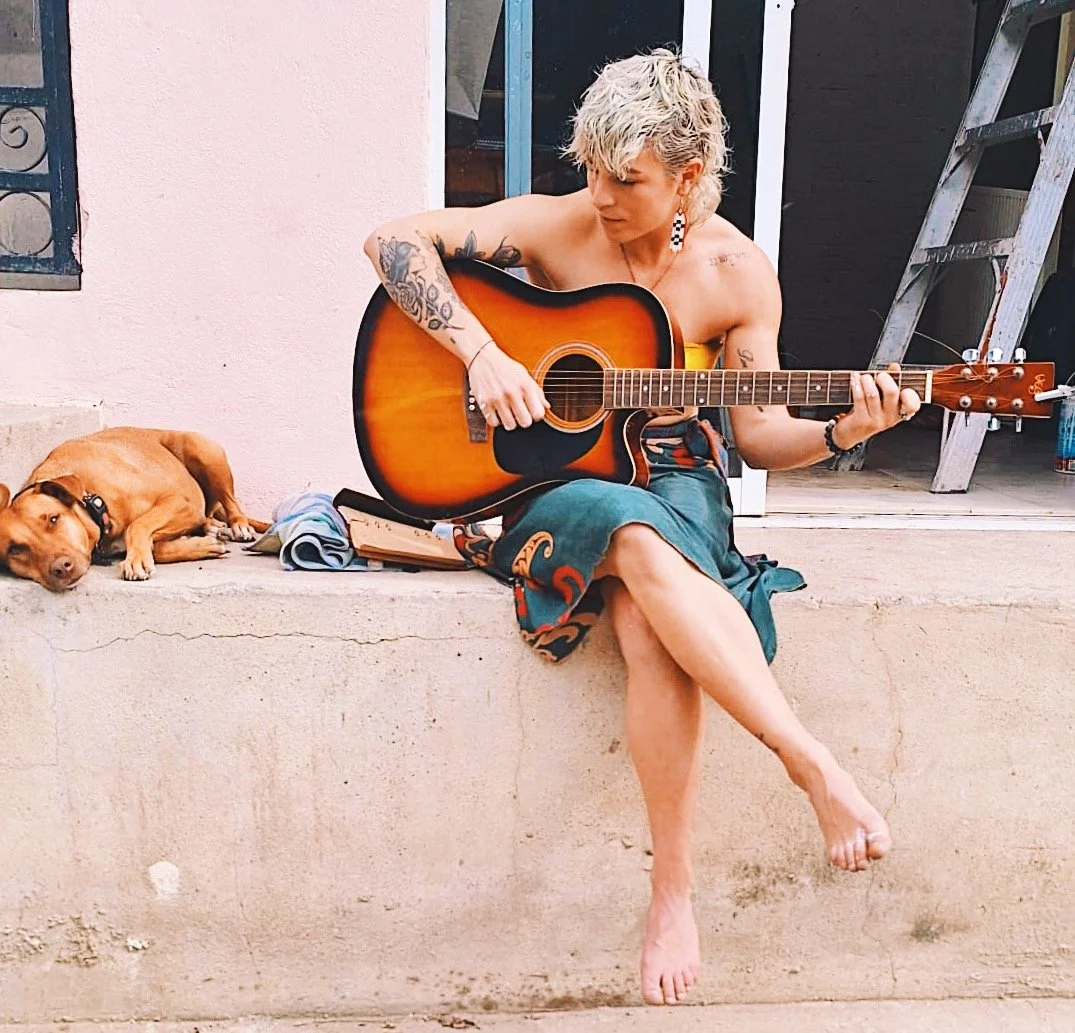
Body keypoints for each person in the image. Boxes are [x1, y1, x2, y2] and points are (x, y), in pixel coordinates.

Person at [363, 49, 920, 1007]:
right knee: (623, 531)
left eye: (625, 180)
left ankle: (672, 891)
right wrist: (484, 353)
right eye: (589, 169)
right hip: (554, 482)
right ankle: (807, 759)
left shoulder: (737, 272)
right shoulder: (559, 226)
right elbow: (392, 243)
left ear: (688, 179)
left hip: (677, 479)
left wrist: (839, 429)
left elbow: (754, 432)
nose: (599, 196)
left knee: (645, 625)